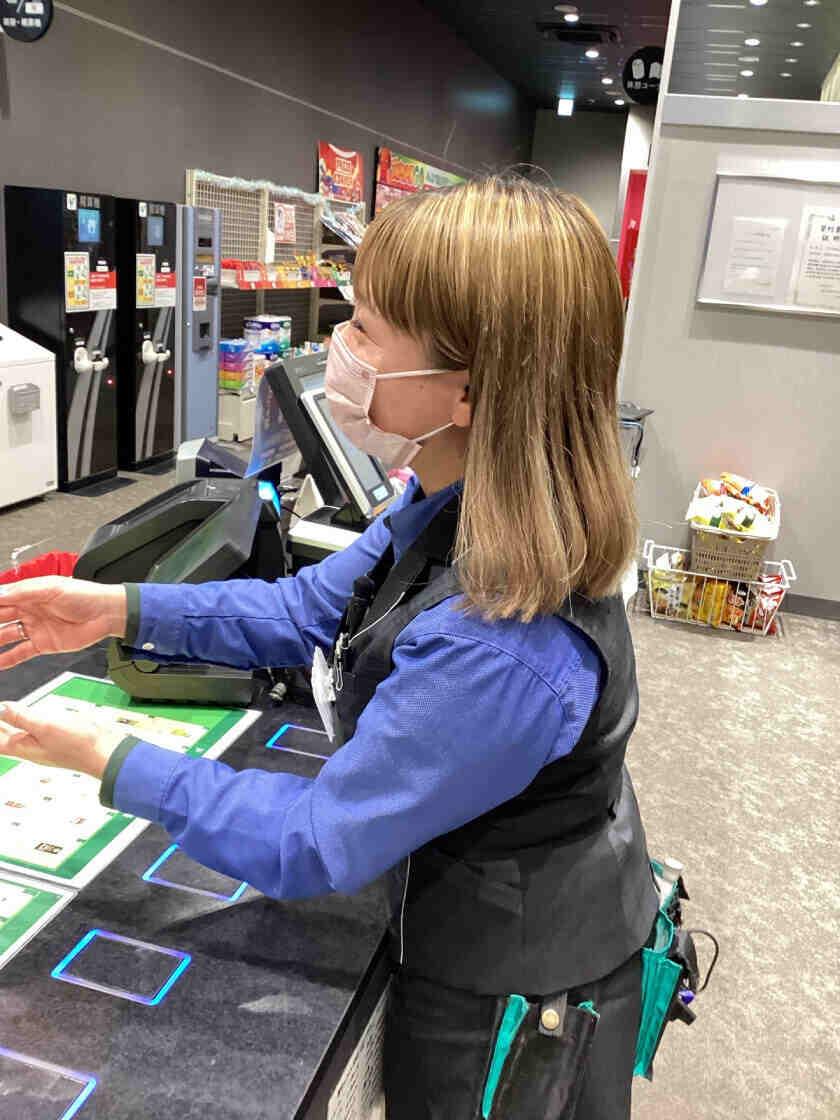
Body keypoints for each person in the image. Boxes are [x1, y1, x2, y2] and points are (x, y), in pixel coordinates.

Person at [0, 176, 659, 1119]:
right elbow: (312, 605)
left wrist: (107, 759)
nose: (338, 350)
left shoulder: (505, 645)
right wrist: (116, 609)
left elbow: (317, 841)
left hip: (510, 1000)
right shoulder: (450, 496)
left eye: (368, 331)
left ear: (468, 388)